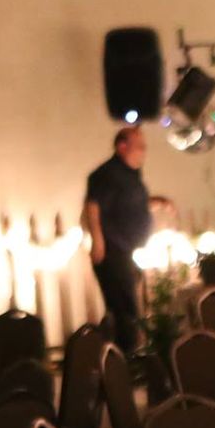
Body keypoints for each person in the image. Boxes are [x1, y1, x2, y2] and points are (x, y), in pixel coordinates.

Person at [84, 127, 155, 352]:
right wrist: (98, 241)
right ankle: (125, 357)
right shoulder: (107, 174)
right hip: (113, 250)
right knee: (123, 307)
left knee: (129, 305)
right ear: (122, 146)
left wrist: (158, 202)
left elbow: (130, 205)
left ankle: (129, 352)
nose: (143, 151)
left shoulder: (132, 174)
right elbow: (93, 206)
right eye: (139, 146)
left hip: (127, 249)